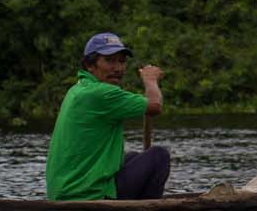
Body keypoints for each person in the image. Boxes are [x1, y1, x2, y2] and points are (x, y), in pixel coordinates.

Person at [45, 32, 169, 200]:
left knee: (133, 157)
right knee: (158, 156)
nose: (117, 68)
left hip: (65, 191)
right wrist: (150, 81)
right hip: (86, 195)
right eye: (109, 60)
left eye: (122, 61)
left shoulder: (78, 88)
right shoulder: (101, 94)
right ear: (90, 65)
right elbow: (155, 106)